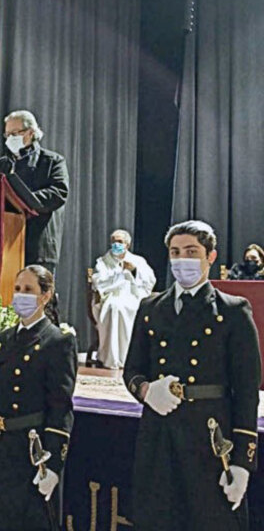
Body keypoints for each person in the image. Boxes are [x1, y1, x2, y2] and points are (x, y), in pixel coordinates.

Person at [124, 220, 261, 531]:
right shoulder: (150, 307)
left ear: (210, 257)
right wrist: (145, 391)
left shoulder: (233, 311)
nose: (181, 260)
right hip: (158, 435)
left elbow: (247, 391)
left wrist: (242, 462)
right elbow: (132, 370)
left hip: (210, 440)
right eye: (175, 252)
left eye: (191, 252)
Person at [0, 265, 78, 531]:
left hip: (31, 452)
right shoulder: (3, 339)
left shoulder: (57, 342)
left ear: (46, 295)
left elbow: (60, 407)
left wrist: (53, 466)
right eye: (17, 289)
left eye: (29, 290)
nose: (20, 295)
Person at [0, 110, 69, 273]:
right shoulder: (1, 166)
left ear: (31, 132)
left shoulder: (52, 161)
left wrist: (23, 200)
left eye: (14, 133)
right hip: (5, 243)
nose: (10, 139)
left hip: (38, 244)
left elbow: (58, 193)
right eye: (7, 135)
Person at [91, 229, 156, 368]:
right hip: (111, 296)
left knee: (129, 309)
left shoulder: (138, 261)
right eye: (113, 241)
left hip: (132, 295)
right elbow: (99, 282)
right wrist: (120, 275)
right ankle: (111, 357)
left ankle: (129, 356)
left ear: (127, 244)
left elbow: (149, 281)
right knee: (115, 308)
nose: (116, 244)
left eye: (119, 242)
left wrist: (133, 271)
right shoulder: (103, 261)